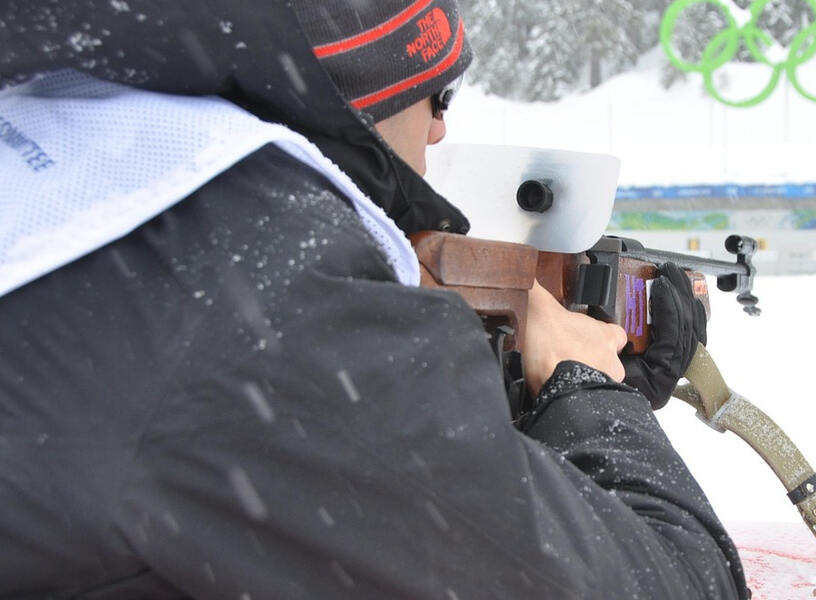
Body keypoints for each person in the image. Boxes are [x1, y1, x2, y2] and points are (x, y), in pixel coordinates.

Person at [0, 0, 750, 598]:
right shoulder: (262, 300)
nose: (442, 123)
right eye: (438, 92)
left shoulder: (68, 138)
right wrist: (589, 392)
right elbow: (682, 580)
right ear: (366, 87)